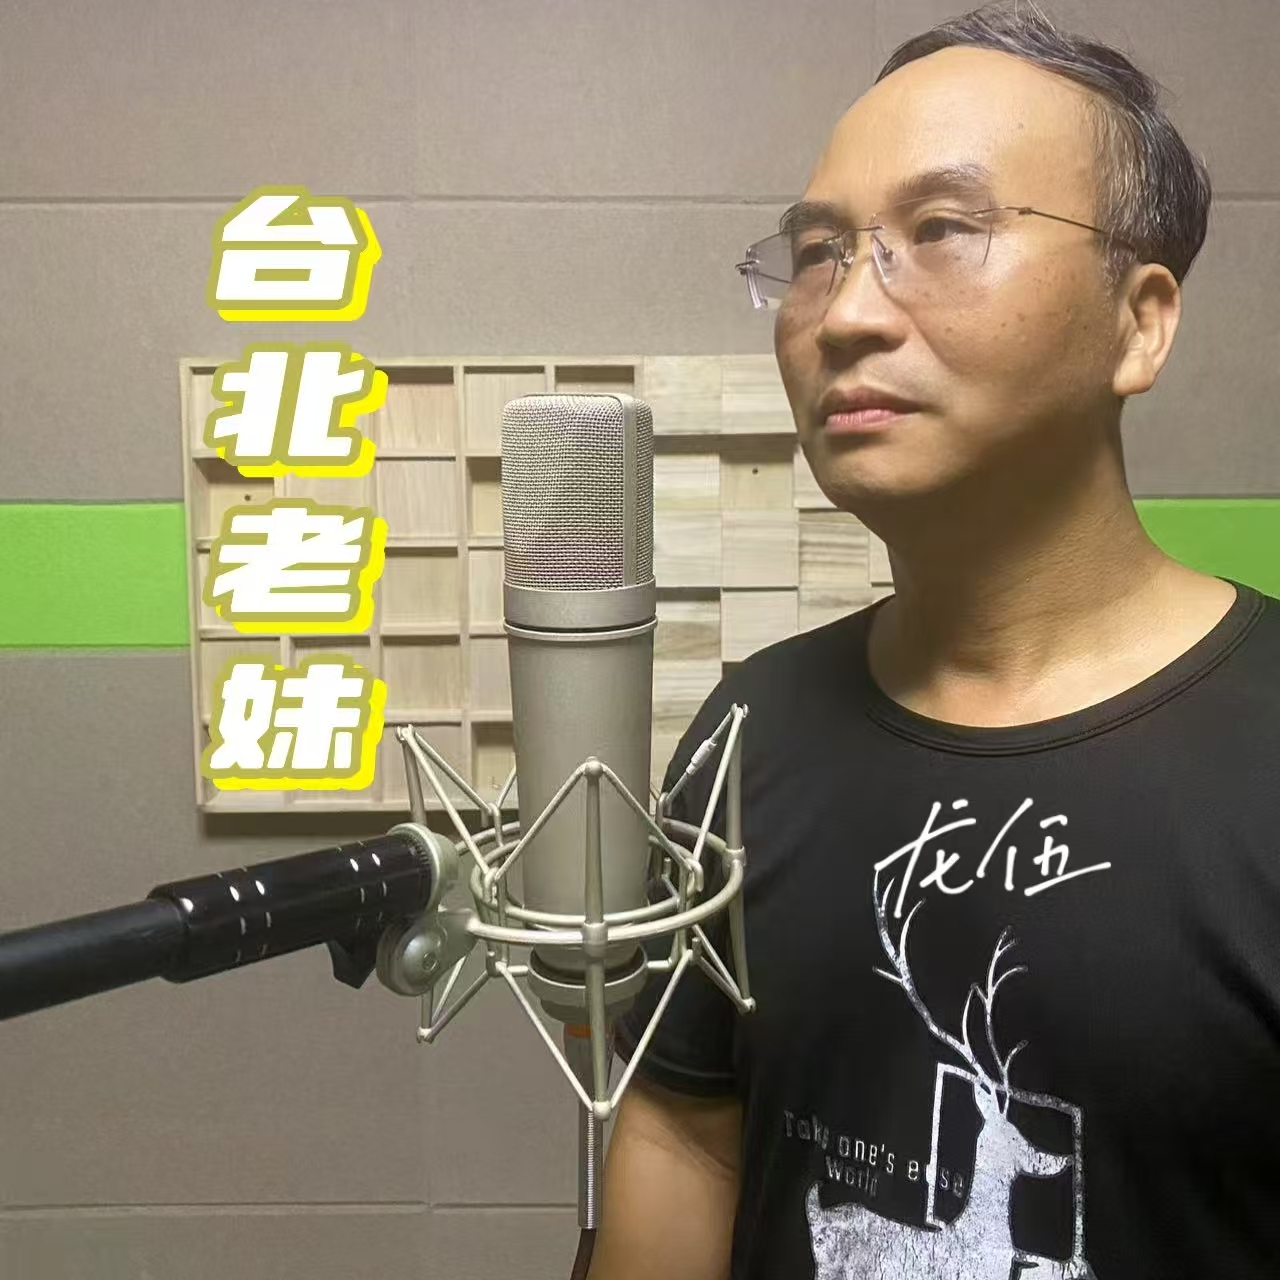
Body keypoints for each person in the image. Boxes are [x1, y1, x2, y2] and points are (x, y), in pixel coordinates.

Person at [586, 2, 1280, 1277]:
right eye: (816, 251)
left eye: (943, 231)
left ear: (1138, 321)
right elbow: (685, 1130)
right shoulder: (747, 732)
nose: (844, 312)